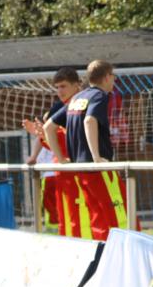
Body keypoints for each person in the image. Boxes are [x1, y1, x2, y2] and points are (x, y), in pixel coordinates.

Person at [44, 59, 130, 240]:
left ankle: (101, 255)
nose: (114, 80)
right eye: (113, 76)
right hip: (98, 169)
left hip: (80, 171)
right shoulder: (99, 96)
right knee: (118, 214)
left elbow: (48, 127)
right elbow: (89, 121)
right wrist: (97, 157)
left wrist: (60, 158)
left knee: (97, 216)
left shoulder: (76, 99)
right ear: (107, 77)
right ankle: (122, 255)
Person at [23, 67, 88, 237]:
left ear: (77, 86)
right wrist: (43, 136)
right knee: (66, 219)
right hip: (63, 173)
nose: (60, 91)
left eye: (64, 86)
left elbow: (73, 145)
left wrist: (45, 135)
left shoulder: (81, 107)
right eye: (57, 87)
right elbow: (61, 145)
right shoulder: (63, 108)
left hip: (79, 173)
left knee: (80, 218)